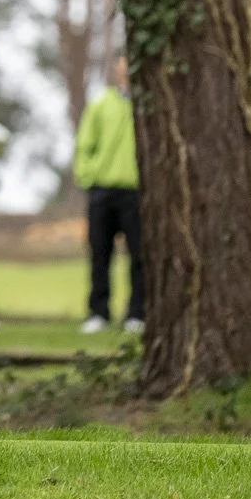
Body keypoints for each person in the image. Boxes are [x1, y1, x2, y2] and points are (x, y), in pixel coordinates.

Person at [74, 55, 143, 333]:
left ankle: (137, 313)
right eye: (122, 69)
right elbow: (85, 145)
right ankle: (98, 312)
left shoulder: (147, 105)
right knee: (100, 253)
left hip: (135, 191)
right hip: (102, 190)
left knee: (139, 255)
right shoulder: (102, 103)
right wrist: (89, 177)